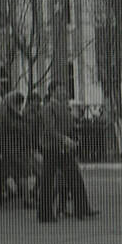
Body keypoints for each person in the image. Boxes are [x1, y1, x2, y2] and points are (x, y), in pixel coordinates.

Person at [37, 80, 98, 223]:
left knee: (75, 177)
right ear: (52, 91)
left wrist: (73, 137)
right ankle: (45, 214)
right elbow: (50, 129)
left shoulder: (64, 107)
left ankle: (82, 208)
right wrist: (65, 139)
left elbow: (69, 126)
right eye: (60, 89)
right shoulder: (48, 108)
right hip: (51, 148)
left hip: (63, 148)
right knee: (48, 181)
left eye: (64, 89)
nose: (64, 92)